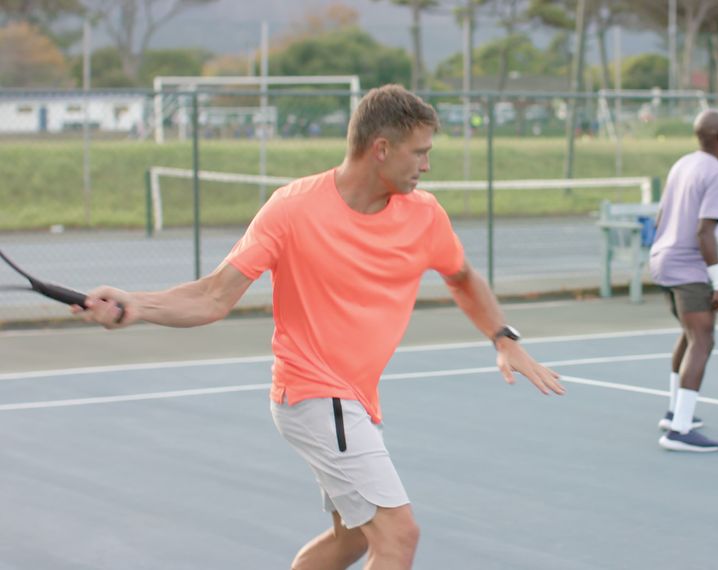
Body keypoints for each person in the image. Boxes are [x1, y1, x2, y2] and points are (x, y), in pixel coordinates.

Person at [76, 84, 564, 570]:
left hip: (352, 398)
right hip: (314, 394)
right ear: (381, 149)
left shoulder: (425, 215)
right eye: (420, 153)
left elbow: (462, 277)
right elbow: (213, 296)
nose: (426, 165)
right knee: (398, 537)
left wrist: (504, 337)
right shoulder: (292, 209)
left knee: (352, 539)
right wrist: (136, 304)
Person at [648, 109, 718, 453]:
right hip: (687, 266)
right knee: (703, 339)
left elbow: (660, 216)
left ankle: (674, 413)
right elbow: (704, 232)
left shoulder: (682, 164)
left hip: (662, 261)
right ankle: (680, 430)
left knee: (690, 335)